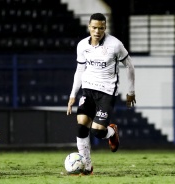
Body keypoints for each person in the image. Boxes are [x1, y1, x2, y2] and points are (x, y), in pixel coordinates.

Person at [66, 13, 136, 175]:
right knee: (81, 125)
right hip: (88, 90)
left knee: (97, 132)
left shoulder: (115, 45)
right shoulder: (82, 45)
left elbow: (130, 65)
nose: (97, 31)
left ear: (105, 28)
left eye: (101, 28)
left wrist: (130, 92)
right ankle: (87, 166)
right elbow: (80, 70)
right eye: (94, 28)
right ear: (89, 27)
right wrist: (72, 95)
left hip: (107, 92)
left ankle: (112, 132)